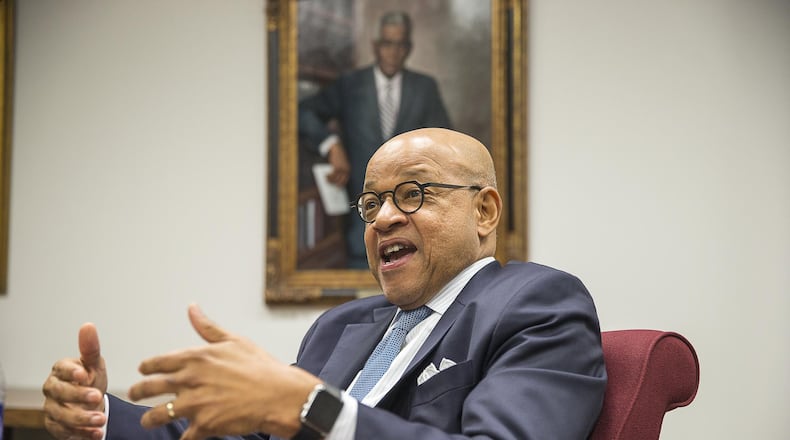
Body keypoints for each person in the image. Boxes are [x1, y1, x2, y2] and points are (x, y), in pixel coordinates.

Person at [42, 128, 607, 440]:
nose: (383, 218)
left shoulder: (536, 303)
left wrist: (313, 409)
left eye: (412, 194)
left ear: (484, 211)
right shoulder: (343, 325)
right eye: (371, 203)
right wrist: (98, 418)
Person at [298, 11, 451, 268]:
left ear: (409, 48)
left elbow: (445, 145)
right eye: (387, 44)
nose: (393, 52)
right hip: (361, 228)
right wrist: (331, 145)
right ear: (376, 46)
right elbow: (304, 112)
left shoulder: (424, 88)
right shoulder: (350, 85)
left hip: (415, 224)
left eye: (400, 45)